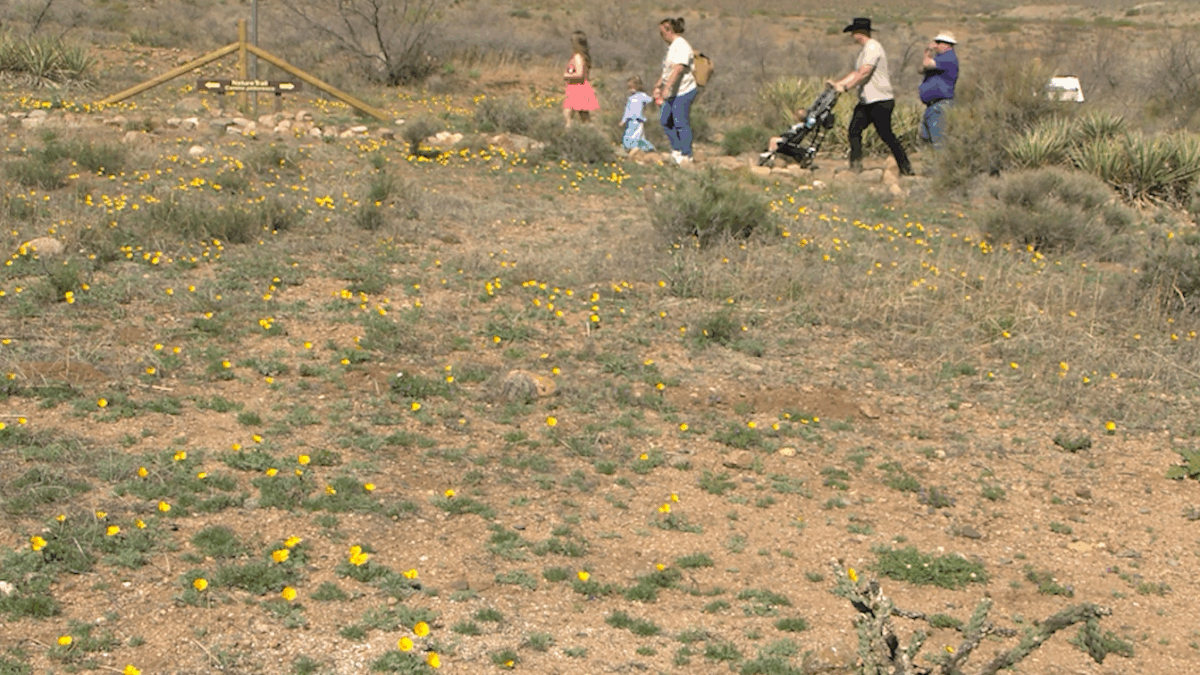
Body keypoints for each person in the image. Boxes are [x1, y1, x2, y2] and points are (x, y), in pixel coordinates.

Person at [827, 17, 914, 176]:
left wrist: (846, 87)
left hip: (880, 100)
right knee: (854, 130)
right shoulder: (865, 50)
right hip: (867, 100)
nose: (852, 36)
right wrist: (838, 84)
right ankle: (855, 166)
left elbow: (864, 72)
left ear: (859, 33)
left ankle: (906, 168)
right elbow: (856, 73)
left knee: (886, 134)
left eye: (853, 32)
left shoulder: (873, 47)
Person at [652, 17, 697, 165]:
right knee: (666, 120)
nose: (661, 36)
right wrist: (659, 84)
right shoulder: (672, 47)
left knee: (680, 121)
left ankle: (686, 154)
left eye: (662, 32)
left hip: (683, 90)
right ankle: (676, 150)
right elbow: (668, 70)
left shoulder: (682, 46)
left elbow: (678, 68)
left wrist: (667, 88)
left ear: (669, 30)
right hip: (673, 91)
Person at [918, 31, 958, 147]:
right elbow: (921, 69)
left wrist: (928, 51)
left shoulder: (948, 58)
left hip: (940, 106)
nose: (935, 44)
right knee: (927, 141)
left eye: (938, 42)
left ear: (946, 44)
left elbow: (926, 64)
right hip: (932, 106)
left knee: (938, 142)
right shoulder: (939, 59)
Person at [563, 31, 598, 127]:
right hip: (578, 87)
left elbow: (580, 74)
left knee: (568, 114)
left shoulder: (578, 57)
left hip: (577, 87)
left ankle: (568, 133)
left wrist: (567, 76)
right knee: (584, 117)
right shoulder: (581, 56)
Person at [620, 75, 656, 152]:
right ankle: (628, 147)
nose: (631, 90)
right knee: (629, 133)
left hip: (638, 120)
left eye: (632, 87)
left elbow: (650, 99)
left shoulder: (642, 95)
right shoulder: (630, 98)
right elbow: (627, 110)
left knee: (638, 135)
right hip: (630, 120)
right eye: (629, 88)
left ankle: (645, 148)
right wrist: (623, 120)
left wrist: (655, 95)